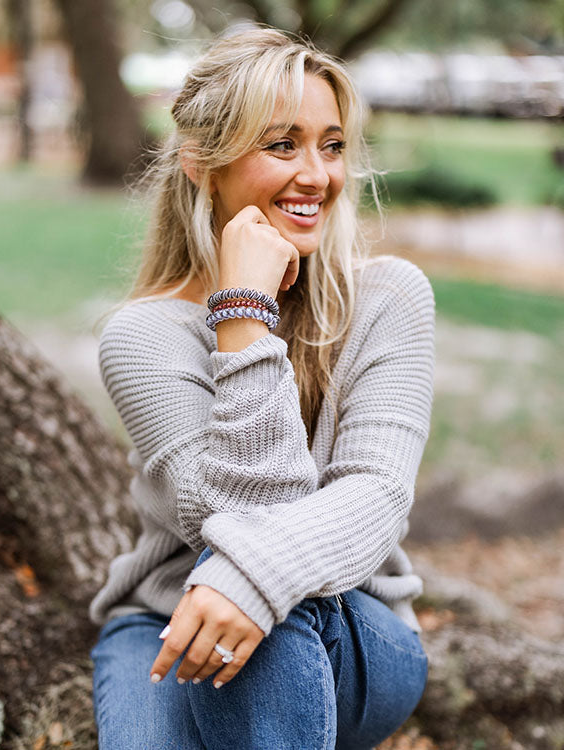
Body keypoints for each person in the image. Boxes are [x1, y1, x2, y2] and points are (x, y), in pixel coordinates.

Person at [89, 27, 435, 749]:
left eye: (332, 145)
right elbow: (233, 514)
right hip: (162, 616)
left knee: (254, 582)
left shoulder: (390, 299)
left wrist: (242, 320)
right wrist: (241, 307)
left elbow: (374, 496)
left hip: (357, 630)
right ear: (201, 165)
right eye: (283, 145)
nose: (317, 175)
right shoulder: (142, 336)